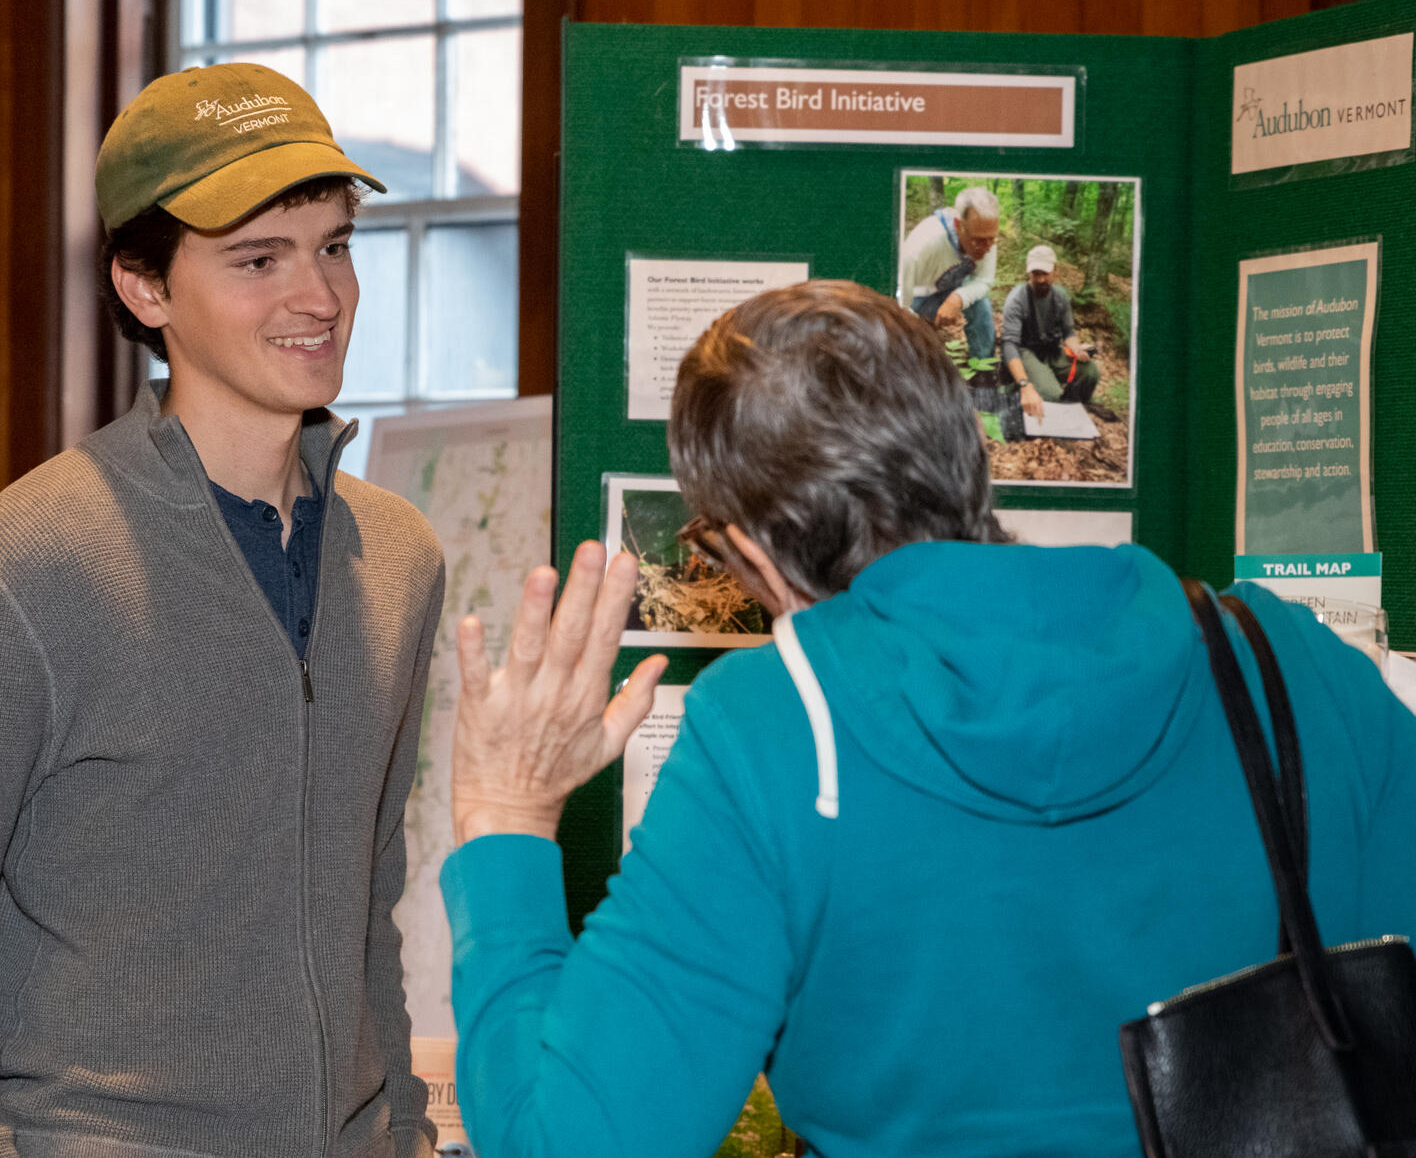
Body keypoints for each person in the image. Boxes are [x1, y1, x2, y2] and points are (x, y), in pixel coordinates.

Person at [439, 279, 1416, 1158]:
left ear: (745, 548)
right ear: (969, 454)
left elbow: (566, 1137)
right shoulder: (1284, 665)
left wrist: (505, 817)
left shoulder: (775, 733)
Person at [0, 63, 446, 1158]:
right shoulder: (23, 568)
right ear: (145, 287)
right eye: (258, 258)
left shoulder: (396, 558)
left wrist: (400, 1126)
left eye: (333, 245)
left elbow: (369, 904)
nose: (317, 295)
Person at [897, 184, 1000, 359]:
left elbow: (984, 280)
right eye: (979, 241)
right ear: (958, 225)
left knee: (981, 304)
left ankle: (984, 369)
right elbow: (897, 299)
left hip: (949, 291)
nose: (987, 248)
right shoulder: (924, 243)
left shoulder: (985, 237)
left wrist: (957, 299)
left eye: (992, 239)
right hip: (914, 300)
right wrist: (915, 328)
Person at [1002, 243, 1100, 424]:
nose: (1040, 279)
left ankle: (1073, 407)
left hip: (1051, 351)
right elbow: (1009, 345)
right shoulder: (1017, 299)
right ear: (1028, 273)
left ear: (1056, 270)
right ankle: (1015, 391)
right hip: (1026, 352)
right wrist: (1024, 384)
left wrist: (1077, 349)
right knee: (1051, 394)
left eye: (1045, 273)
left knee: (1090, 372)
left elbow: (1068, 332)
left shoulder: (1061, 296)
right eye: (1035, 274)